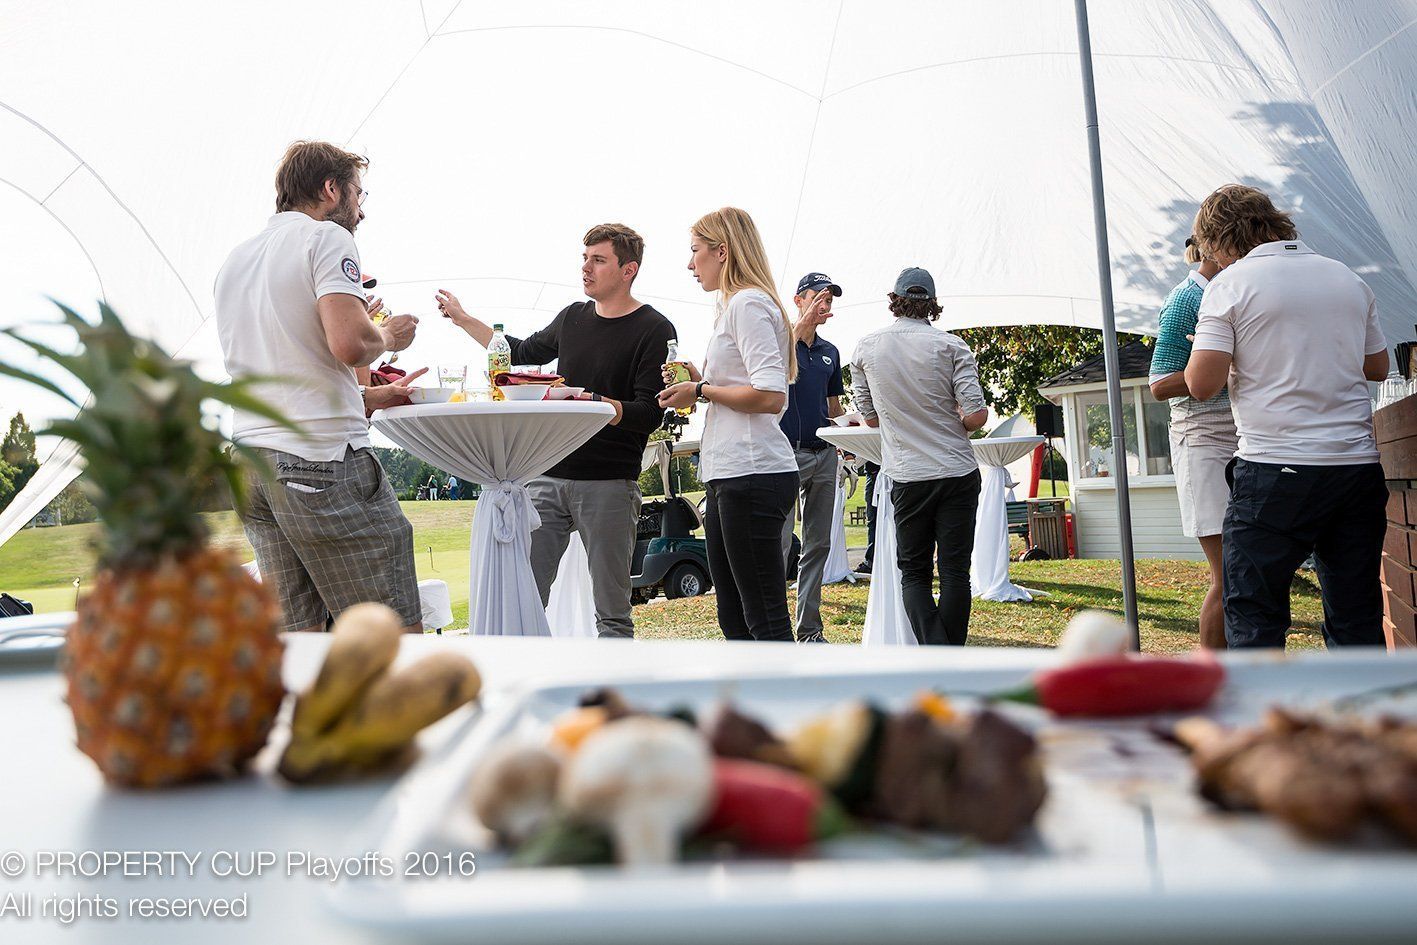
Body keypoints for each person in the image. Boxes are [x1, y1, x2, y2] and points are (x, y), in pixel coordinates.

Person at [215, 140, 424, 633]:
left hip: (252, 462)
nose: (361, 211)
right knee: (389, 636)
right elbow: (350, 343)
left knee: (298, 637)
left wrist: (368, 396)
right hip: (321, 459)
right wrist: (388, 336)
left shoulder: (236, 260)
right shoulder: (327, 238)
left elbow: (286, 361)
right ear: (331, 189)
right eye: (358, 194)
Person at [437, 224, 676, 638]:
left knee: (613, 615)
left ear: (628, 270)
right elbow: (516, 352)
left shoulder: (655, 328)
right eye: (584, 258)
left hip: (610, 485)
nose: (586, 268)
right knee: (524, 598)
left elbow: (648, 413)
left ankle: (613, 680)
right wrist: (462, 319)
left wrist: (590, 402)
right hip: (546, 477)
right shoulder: (572, 317)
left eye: (598, 260)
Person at [1185, 184, 1390, 648]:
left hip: (1275, 469)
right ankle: (1367, 697)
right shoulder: (1346, 277)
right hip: (1355, 468)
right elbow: (1377, 367)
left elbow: (1201, 384)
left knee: (1255, 620)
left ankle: (1263, 699)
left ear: (1218, 240)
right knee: (1357, 619)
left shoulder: (1229, 286)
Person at [659, 207, 798, 642]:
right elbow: (744, 388)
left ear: (722, 251)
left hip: (752, 473)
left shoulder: (748, 303)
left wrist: (701, 390)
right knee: (735, 617)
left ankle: (786, 685)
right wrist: (699, 382)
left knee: (763, 618)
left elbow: (771, 395)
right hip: (732, 473)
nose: (690, 264)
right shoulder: (736, 305)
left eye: (695, 251)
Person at [850, 268, 988, 646]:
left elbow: (870, 418)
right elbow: (976, 416)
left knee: (914, 574)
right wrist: (956, 418)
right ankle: (948, 656)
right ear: (932, 303)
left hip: (908, 474)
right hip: (957, 470)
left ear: (894, 300)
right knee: (955, 572)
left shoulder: (866, 348)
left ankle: (936, 655)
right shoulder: (952, 346)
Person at [1148, 235, 1237, 650]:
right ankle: (1210, 672)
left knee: (1245, 571)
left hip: (1244, 439)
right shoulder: (1185, 300)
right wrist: (1215, 368)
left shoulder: (1233, 294)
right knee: (1227, 575)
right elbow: (1158, 384)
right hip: (1202, 441)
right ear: (1215, 249)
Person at [778, 273, 847, 643]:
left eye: (830, 299)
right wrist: (801, 325)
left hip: (824, 457)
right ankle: (775, 632)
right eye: (818, 296)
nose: (825, 303)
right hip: (785, 455)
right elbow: (773, 366)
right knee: (779, 545)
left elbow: (834, 407)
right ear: (798, 300)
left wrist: (849, 431)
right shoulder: (780, 340)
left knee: (818, 545)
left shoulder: (831, 352)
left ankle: (810, 631)